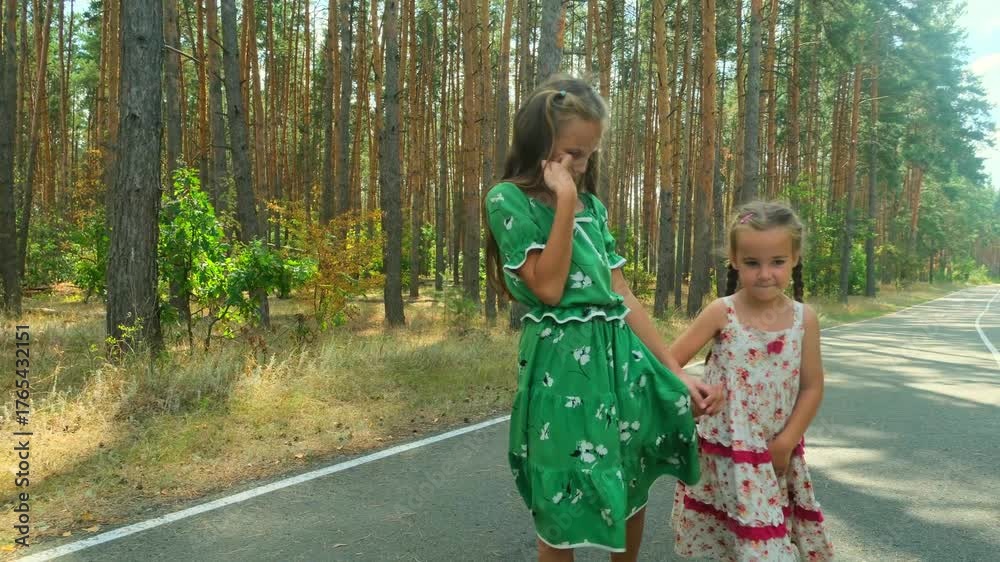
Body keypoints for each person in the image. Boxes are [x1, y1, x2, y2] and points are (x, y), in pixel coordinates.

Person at [483, 74, 723, 562]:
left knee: (630, 470)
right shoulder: (507, 199)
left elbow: (621, 294)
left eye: (589, 155)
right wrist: (565, 203)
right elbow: (549, 288)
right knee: (561, 485)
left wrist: (674, 371)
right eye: (572, 152)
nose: (581, 165)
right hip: (560, 368)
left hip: (620, 361)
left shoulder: (593, 208)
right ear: (538, 142)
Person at [669, 201, 835, 561]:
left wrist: (786, 442)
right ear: (734, 259)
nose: (764, 274)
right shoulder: (721, 312)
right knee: (744, 547)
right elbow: (667, 362)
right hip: (727, 456)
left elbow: (812, 387)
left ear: (795, 258)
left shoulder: (804, 319)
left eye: (777, 262)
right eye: (752, 263)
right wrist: (693, 387)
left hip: (776, 453)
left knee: (763, 544)